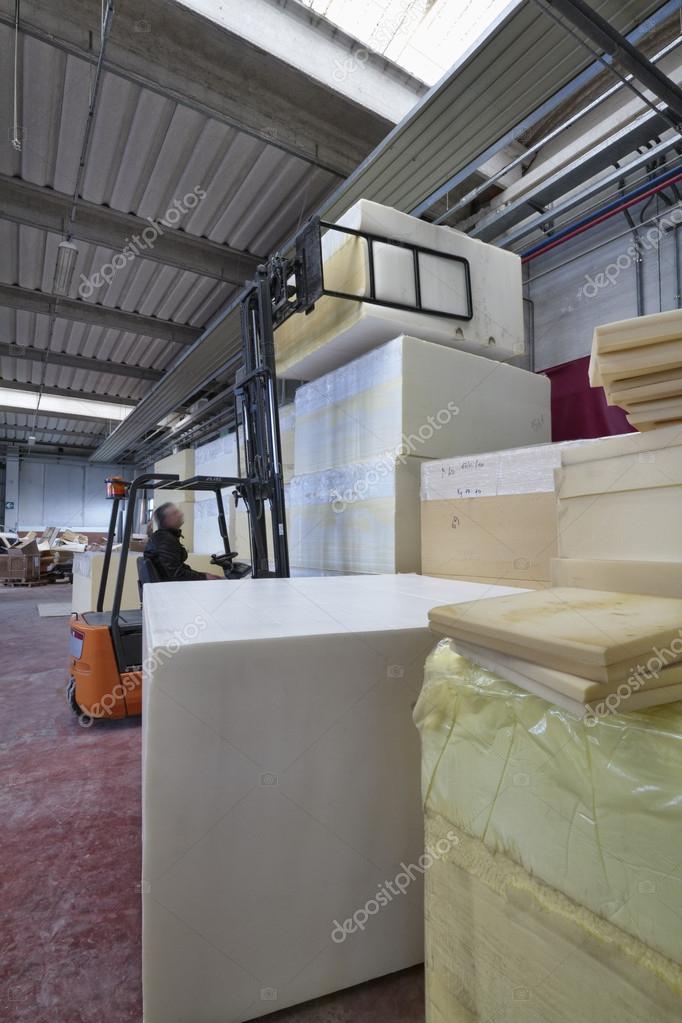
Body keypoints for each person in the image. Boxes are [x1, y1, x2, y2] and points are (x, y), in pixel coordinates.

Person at [145, 502, 222, 581]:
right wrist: (204, 577)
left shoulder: (164, 537)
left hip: (169, 584)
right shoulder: (165, 540)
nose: (181, 514)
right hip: (169, 586)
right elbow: (176, 574)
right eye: (175, 513)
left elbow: (179, 568)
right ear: (166, 520)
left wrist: (204, 575)